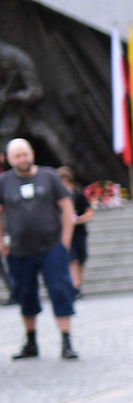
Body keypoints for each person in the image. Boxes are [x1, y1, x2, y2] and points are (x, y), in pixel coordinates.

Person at [0, 138, 79, 359]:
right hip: (19, 250)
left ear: (32, 154)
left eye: (25, 154)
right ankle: (31, 341)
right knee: (25, 294)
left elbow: (66, 207)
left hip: (52, 247)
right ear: (9, 159)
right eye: (17, 156)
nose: (22, 159)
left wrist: (65, 240)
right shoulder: (4, 181)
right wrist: (1, 242)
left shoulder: (49, 176)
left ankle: (66, 341)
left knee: (60, 291)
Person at [54, 166, 92, 298]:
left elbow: (89, 212)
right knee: (72, 259)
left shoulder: (78, 194)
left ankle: (78, 285)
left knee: (80, 259)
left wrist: (78, 220)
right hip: (65, 232)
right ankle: (75, 286)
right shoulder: (55, 197)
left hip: (79, 232)